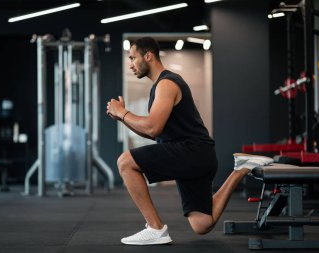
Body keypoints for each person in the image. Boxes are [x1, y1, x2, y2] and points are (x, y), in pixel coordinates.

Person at [106, 37, 273, 246]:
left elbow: (152, 127)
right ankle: (240, 170)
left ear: (148, 56)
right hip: (198, 155)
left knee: (125, 162)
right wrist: (121, 117)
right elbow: (153, 133)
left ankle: (155, 229)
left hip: (190, 152)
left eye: (133, 58)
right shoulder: (160, 86)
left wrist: (123, 113)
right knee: (202, 224)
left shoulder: (166, 84)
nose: (130, 63)